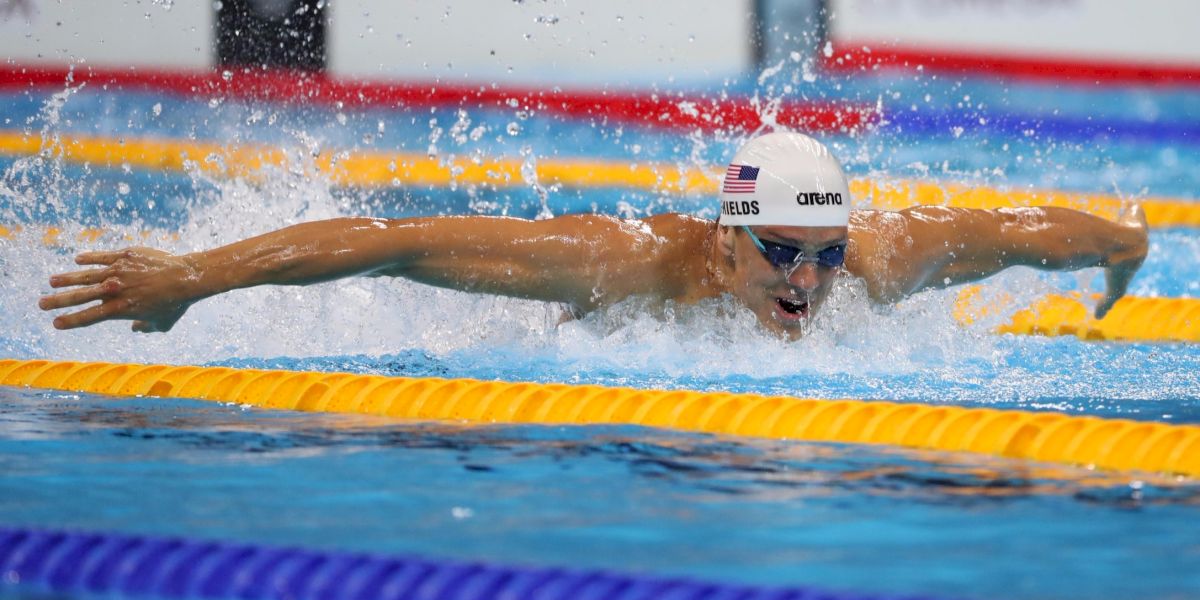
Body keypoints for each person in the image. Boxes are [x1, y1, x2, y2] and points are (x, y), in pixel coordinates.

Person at [39, 132, 1148, 340]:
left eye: (826, 254)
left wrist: (1125, 249)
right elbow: (393, 237)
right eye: (779, 253)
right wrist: (192, 276)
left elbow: (1029, 231)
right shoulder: (625, 259)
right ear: (724, 243)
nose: (808, 282)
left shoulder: (881, 260)